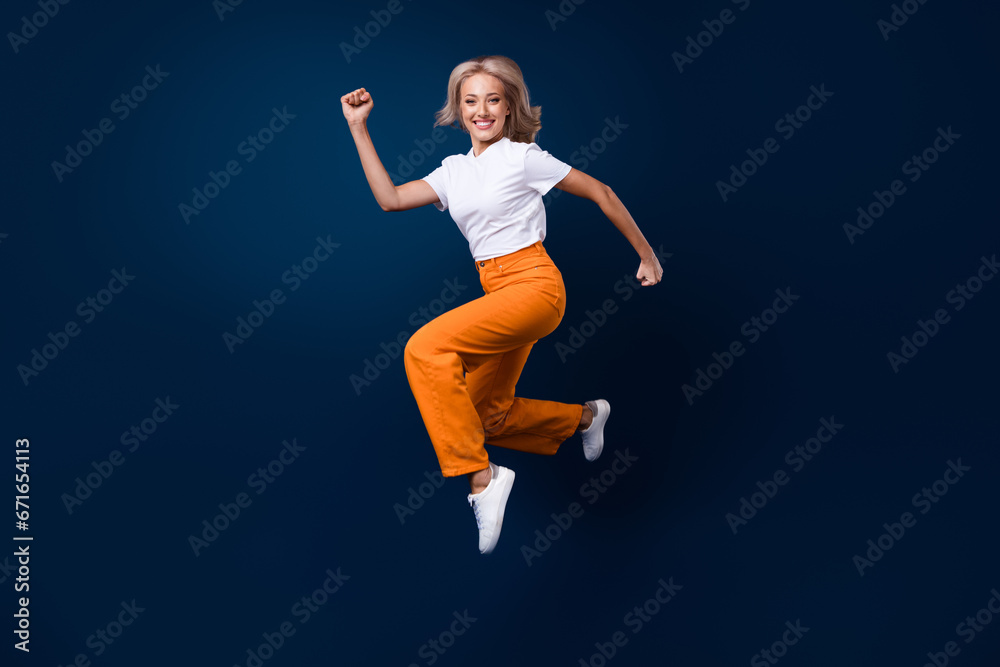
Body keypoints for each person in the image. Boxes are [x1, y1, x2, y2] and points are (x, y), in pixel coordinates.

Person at [341, 55, 662, 555]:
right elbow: (390, 198)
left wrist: (647, 257)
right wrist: (360, 128)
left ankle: (481, 479)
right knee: (485, 415)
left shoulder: (522, 156)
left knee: (424, 350)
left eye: (493, 100)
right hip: (498, 292)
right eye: (471, 101)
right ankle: (583, 417)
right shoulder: (453, 171)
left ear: (510, 107)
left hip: (534, 285)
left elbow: (600, 191)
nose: (482, 110)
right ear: (459, 108)